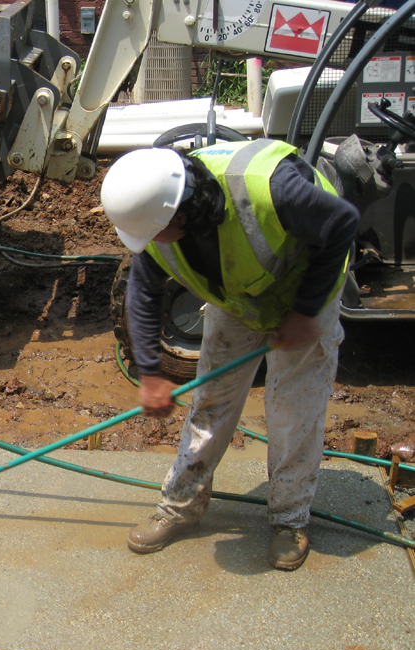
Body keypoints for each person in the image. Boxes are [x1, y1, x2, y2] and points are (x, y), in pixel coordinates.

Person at [101, 139, 359, 571]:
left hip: (304, 288)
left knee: (293, 410)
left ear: (180, 216)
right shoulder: (160, 218)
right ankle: (180, 505)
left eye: (150, 233)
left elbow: (342, 224)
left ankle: (289, 519)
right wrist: (149, 371)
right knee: (211, 400)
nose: (145, 244)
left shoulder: (272, 189)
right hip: (237, 293)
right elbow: (142, 290)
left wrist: (305, 310)